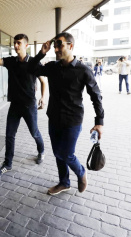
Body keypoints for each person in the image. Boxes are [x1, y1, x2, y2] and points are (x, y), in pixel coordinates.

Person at [28, 32, 104, 195]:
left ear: (71, 46)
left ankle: (81, 173)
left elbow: (96, 95)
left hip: (72, 120)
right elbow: (32, 69)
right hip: (53, 117)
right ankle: (64, 182)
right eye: (55, 46)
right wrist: (42, 52)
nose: (56, 49)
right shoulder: (52, 67)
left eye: (59, 45)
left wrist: (99, 122)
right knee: (57, 153)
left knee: (66, 154)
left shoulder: (83, 70)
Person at [0, 34, 46, 175]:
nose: (15, 46)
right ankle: (8, 163)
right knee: (10, 135)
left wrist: (43, 98)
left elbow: (44, 81)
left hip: (29, 105)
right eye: (14, 43)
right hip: (15, 105)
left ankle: (41, 151)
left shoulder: (33, 62)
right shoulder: (11, 61)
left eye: (19, 43)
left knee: (34, 132)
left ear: (26, 45)